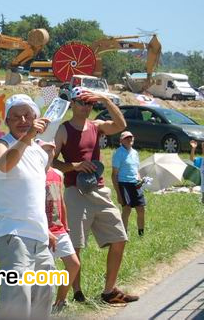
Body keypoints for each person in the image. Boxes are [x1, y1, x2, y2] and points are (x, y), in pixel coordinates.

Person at [53, 87, 138, 305]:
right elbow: (51, 161)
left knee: (120, 238)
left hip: (99, 190)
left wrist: (104, 98)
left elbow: (121, 125)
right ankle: (77, 292)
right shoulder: (63, 130)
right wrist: (75, 166)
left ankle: (109, 291)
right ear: (72, 104)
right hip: (75, 192)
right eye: (82, 102)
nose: (86, 106)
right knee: (76, 245)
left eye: (90, 103)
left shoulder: (96, 126)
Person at [0, 94, 55, 318]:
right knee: (17, 299)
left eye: (27, 115)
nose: (22, 120)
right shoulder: (0, 144)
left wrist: (45, 228)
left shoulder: (40, 152)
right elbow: (4, 165)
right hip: (12, 234)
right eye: (15, 116)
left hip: (39, 238)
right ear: (6, 121)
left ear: (36, 117)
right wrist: (28, 137)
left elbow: (33, 193)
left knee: (43, 297)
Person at [44, 162, 81, 314]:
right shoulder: (34, 173)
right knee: (47, 272)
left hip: (59, 229)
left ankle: (59, 302)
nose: (49, 152)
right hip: (43, 230)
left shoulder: (58, 174)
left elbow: (61, 201)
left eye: (52, 149)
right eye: (46, 149)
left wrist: (65, 224)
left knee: (73, 264)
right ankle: (43, 309)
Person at [112, 131, 146, 237]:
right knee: (126, 210)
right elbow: (114, 175)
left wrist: (140, 179)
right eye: (126, 138)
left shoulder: (135, 153)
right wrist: (118, 193)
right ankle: (124, 234)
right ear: (121, 140)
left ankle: (141, 234)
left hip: (135, 184)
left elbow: (136, 170)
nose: (129, 139)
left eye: (131, 137)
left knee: (141, 209)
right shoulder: (119, 153)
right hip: (124, 184)